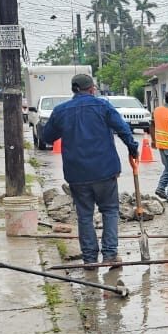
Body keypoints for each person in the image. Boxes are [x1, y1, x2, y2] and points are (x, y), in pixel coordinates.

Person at [39, 74, 139, 269]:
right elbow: (123, 129)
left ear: (73, 89)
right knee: (110, 211)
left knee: (84, 215)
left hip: (77, 174)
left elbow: (48, 136)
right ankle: (110, 255)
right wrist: (133, 148)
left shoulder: (61, 111)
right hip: (105, 170)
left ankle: (90, 259)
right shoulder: (103, 106)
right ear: (92, 88)